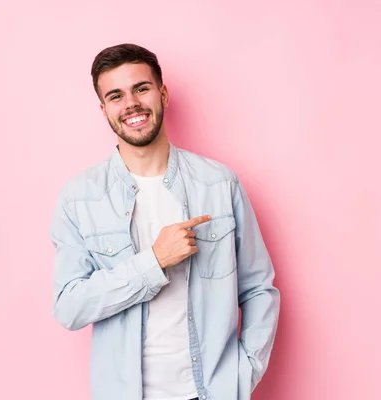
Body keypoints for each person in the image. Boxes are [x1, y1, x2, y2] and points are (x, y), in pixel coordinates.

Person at [49, 43, 280, 400]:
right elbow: (70, 306)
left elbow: (258, 288)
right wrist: (153, 262)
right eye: (116, 96)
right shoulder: (79, 198)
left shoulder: (218, 183)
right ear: (104, 109)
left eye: (141, 88)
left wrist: (244, 371)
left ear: (163, 94)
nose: (131, 104)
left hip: (211, 391)